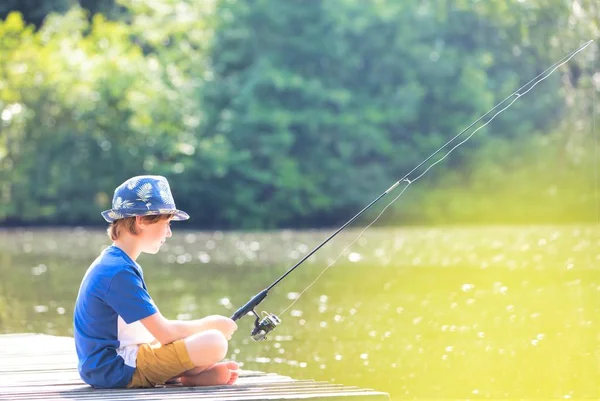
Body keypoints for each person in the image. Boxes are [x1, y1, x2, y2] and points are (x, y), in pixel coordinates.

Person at [73, 175, 239, 389]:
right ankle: (185, 375)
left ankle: (183, 376)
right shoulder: (118, 271)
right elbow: (165, 333)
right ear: (141, 219)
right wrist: (211, 324)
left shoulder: (117, 262)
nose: (169, 233)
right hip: (115, 369)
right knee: (214, 342)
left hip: (111, 364)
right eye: (167, 223)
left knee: (202, 343)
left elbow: (154, 333)